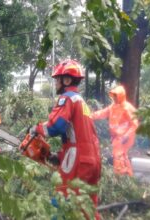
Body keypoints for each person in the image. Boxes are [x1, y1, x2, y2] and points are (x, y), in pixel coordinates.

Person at [30, 60, 101, 220]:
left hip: (79, 159)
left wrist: (36, 128)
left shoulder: (67, 98)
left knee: (62, 200)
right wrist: (61, 156)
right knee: (87, 207)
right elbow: (81, 137)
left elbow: (56, 126)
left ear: (67, 80)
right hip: (93, 160)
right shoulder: (81, 102)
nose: (55, 83)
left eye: (58, 79)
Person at [91, 85, 139, 176]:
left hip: (125, 136)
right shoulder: (113, 107)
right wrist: (90, 116)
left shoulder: (127, 108)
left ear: (121, 96)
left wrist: (126, 135)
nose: (114, 98)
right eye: (114, 96)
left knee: (118, 154)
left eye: (116, 96)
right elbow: (102, 113)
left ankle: (119, 175)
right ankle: (128, 175)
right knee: (122, 155)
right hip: (117, 136)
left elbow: (134, 124)